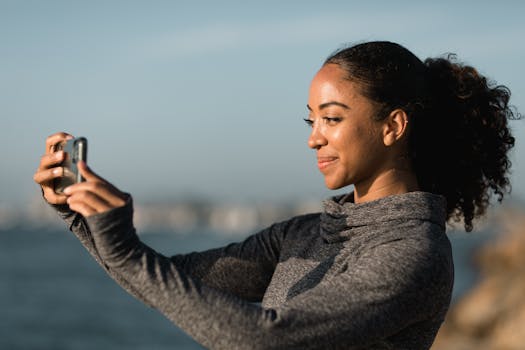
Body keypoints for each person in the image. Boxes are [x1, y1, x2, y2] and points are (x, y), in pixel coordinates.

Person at [33, 41, 518, 349]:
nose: (314, 137)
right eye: (312, 120)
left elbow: (265, 337)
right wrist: (81, 216)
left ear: (392, 126)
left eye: (332, 118)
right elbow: (166, 283)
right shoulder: (300, 234)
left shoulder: (412, 253)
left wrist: (125, 248)